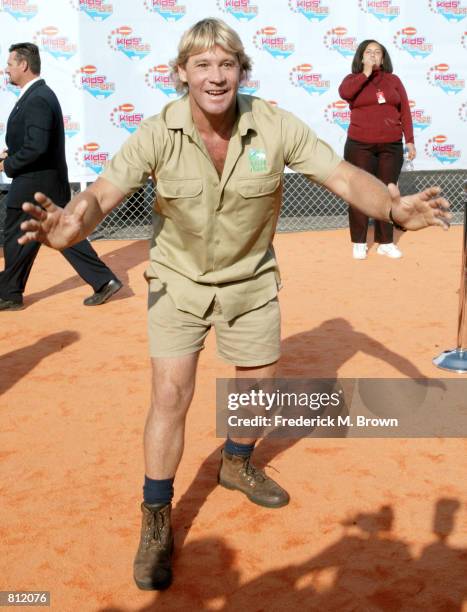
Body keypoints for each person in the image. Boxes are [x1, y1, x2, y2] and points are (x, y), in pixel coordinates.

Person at [18, 19, 450, 590]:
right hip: (178, 281)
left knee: (258, 387)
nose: (216, 76)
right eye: (202, 65)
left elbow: (344, 177)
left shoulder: (273, 124)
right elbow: (101, 193)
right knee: (171, 394)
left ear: (241, 71)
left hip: (250, 279)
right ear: (182, 74)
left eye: (226, 65)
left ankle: (236, 461)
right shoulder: (156, 132)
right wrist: (68, 228)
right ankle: (155, 515)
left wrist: (393, 212)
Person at [0, 43, 122, 311]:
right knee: (48, 236)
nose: (5, 69)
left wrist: (8, 164)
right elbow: (33, 142)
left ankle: (9, 293)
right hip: (40, 182)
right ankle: (103, 281)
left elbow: (38, 146)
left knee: (20, 236)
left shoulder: (38, 98)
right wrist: (12, 152)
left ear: (23, 65)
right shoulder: (35, 96)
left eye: (9, 63)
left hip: (35, 184)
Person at [338, 39, 416, 260]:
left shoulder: (393, 80)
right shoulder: (353, 80)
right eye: (368, 52)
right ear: (361, 57)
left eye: (377, 52)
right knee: (360, 193)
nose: (373, 55)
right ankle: (359, 242)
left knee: (388, 193)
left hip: (390, 146)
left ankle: (386, 242)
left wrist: (409, 140)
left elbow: (405, 111)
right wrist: (365, 73)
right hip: (360, 146)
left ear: (383, 57)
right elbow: (345, 93)